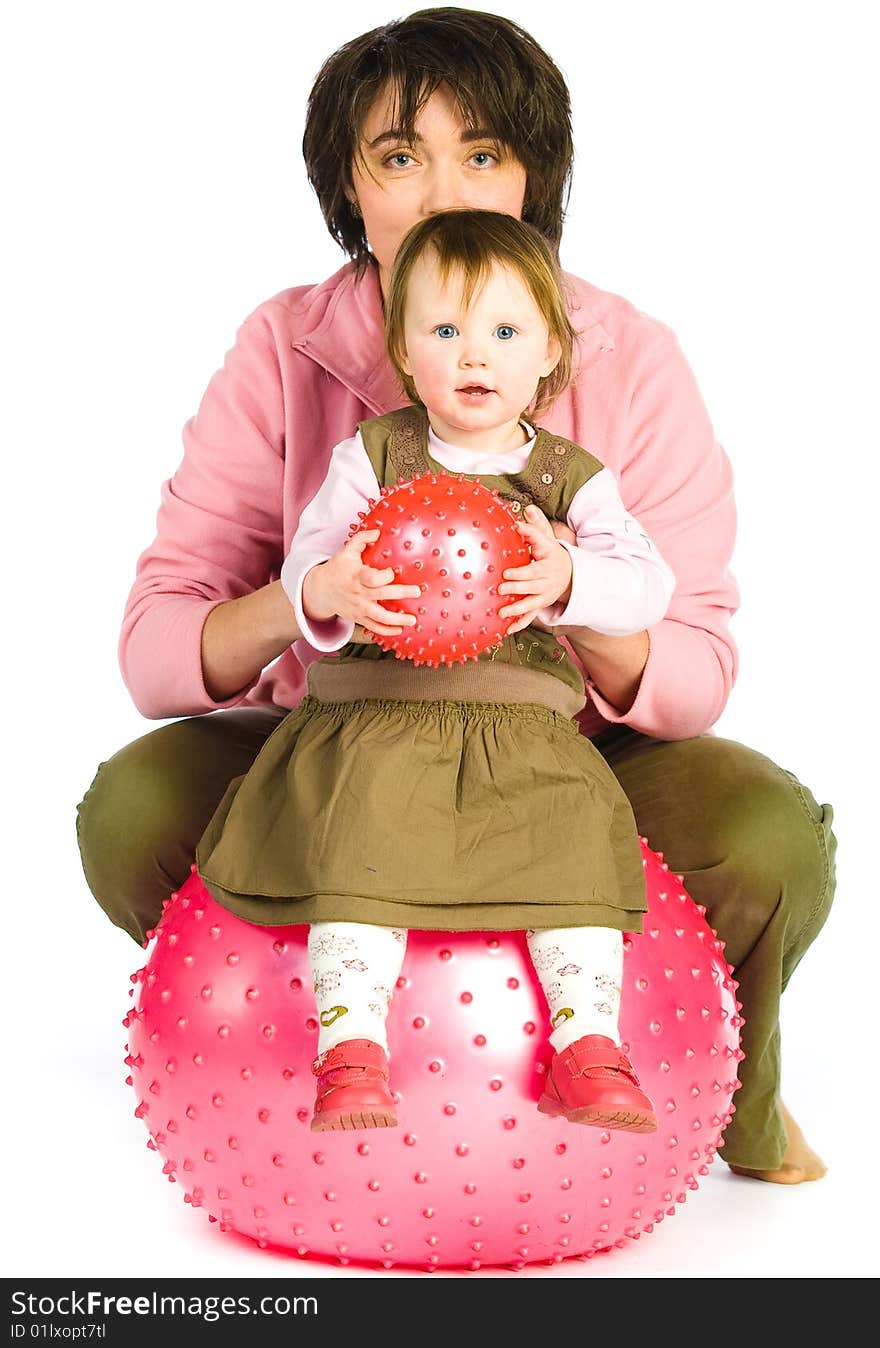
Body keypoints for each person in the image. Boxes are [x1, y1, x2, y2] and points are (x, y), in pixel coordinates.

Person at [76, 7, 835, 1181]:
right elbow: (157, 648)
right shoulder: (284, 349)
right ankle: (302, 1047)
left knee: (767, 832)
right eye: (397, 156)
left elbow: (698, 667)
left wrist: (569, 590)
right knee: (129, 810)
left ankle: (732, 1081)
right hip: (338, 749)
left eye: (481, 153)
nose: (440, 192)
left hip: (560, 753)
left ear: (535, 181)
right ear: (348, 188)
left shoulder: (626, 355)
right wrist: (314, 594)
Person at [196, 207, 677, 1133]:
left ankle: (587, 1046)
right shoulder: (372, 456)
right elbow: (310, 561)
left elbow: (648, 584)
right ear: (405, 354)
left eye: (504, 332)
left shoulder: (571, 478)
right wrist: (332, 587)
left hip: (520, 730)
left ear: (550, 354)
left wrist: (570, 575)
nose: (474, 356)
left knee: (572, 856)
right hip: (376, 720)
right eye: (445, 331)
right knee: (356, 868)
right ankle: (351, 1050)